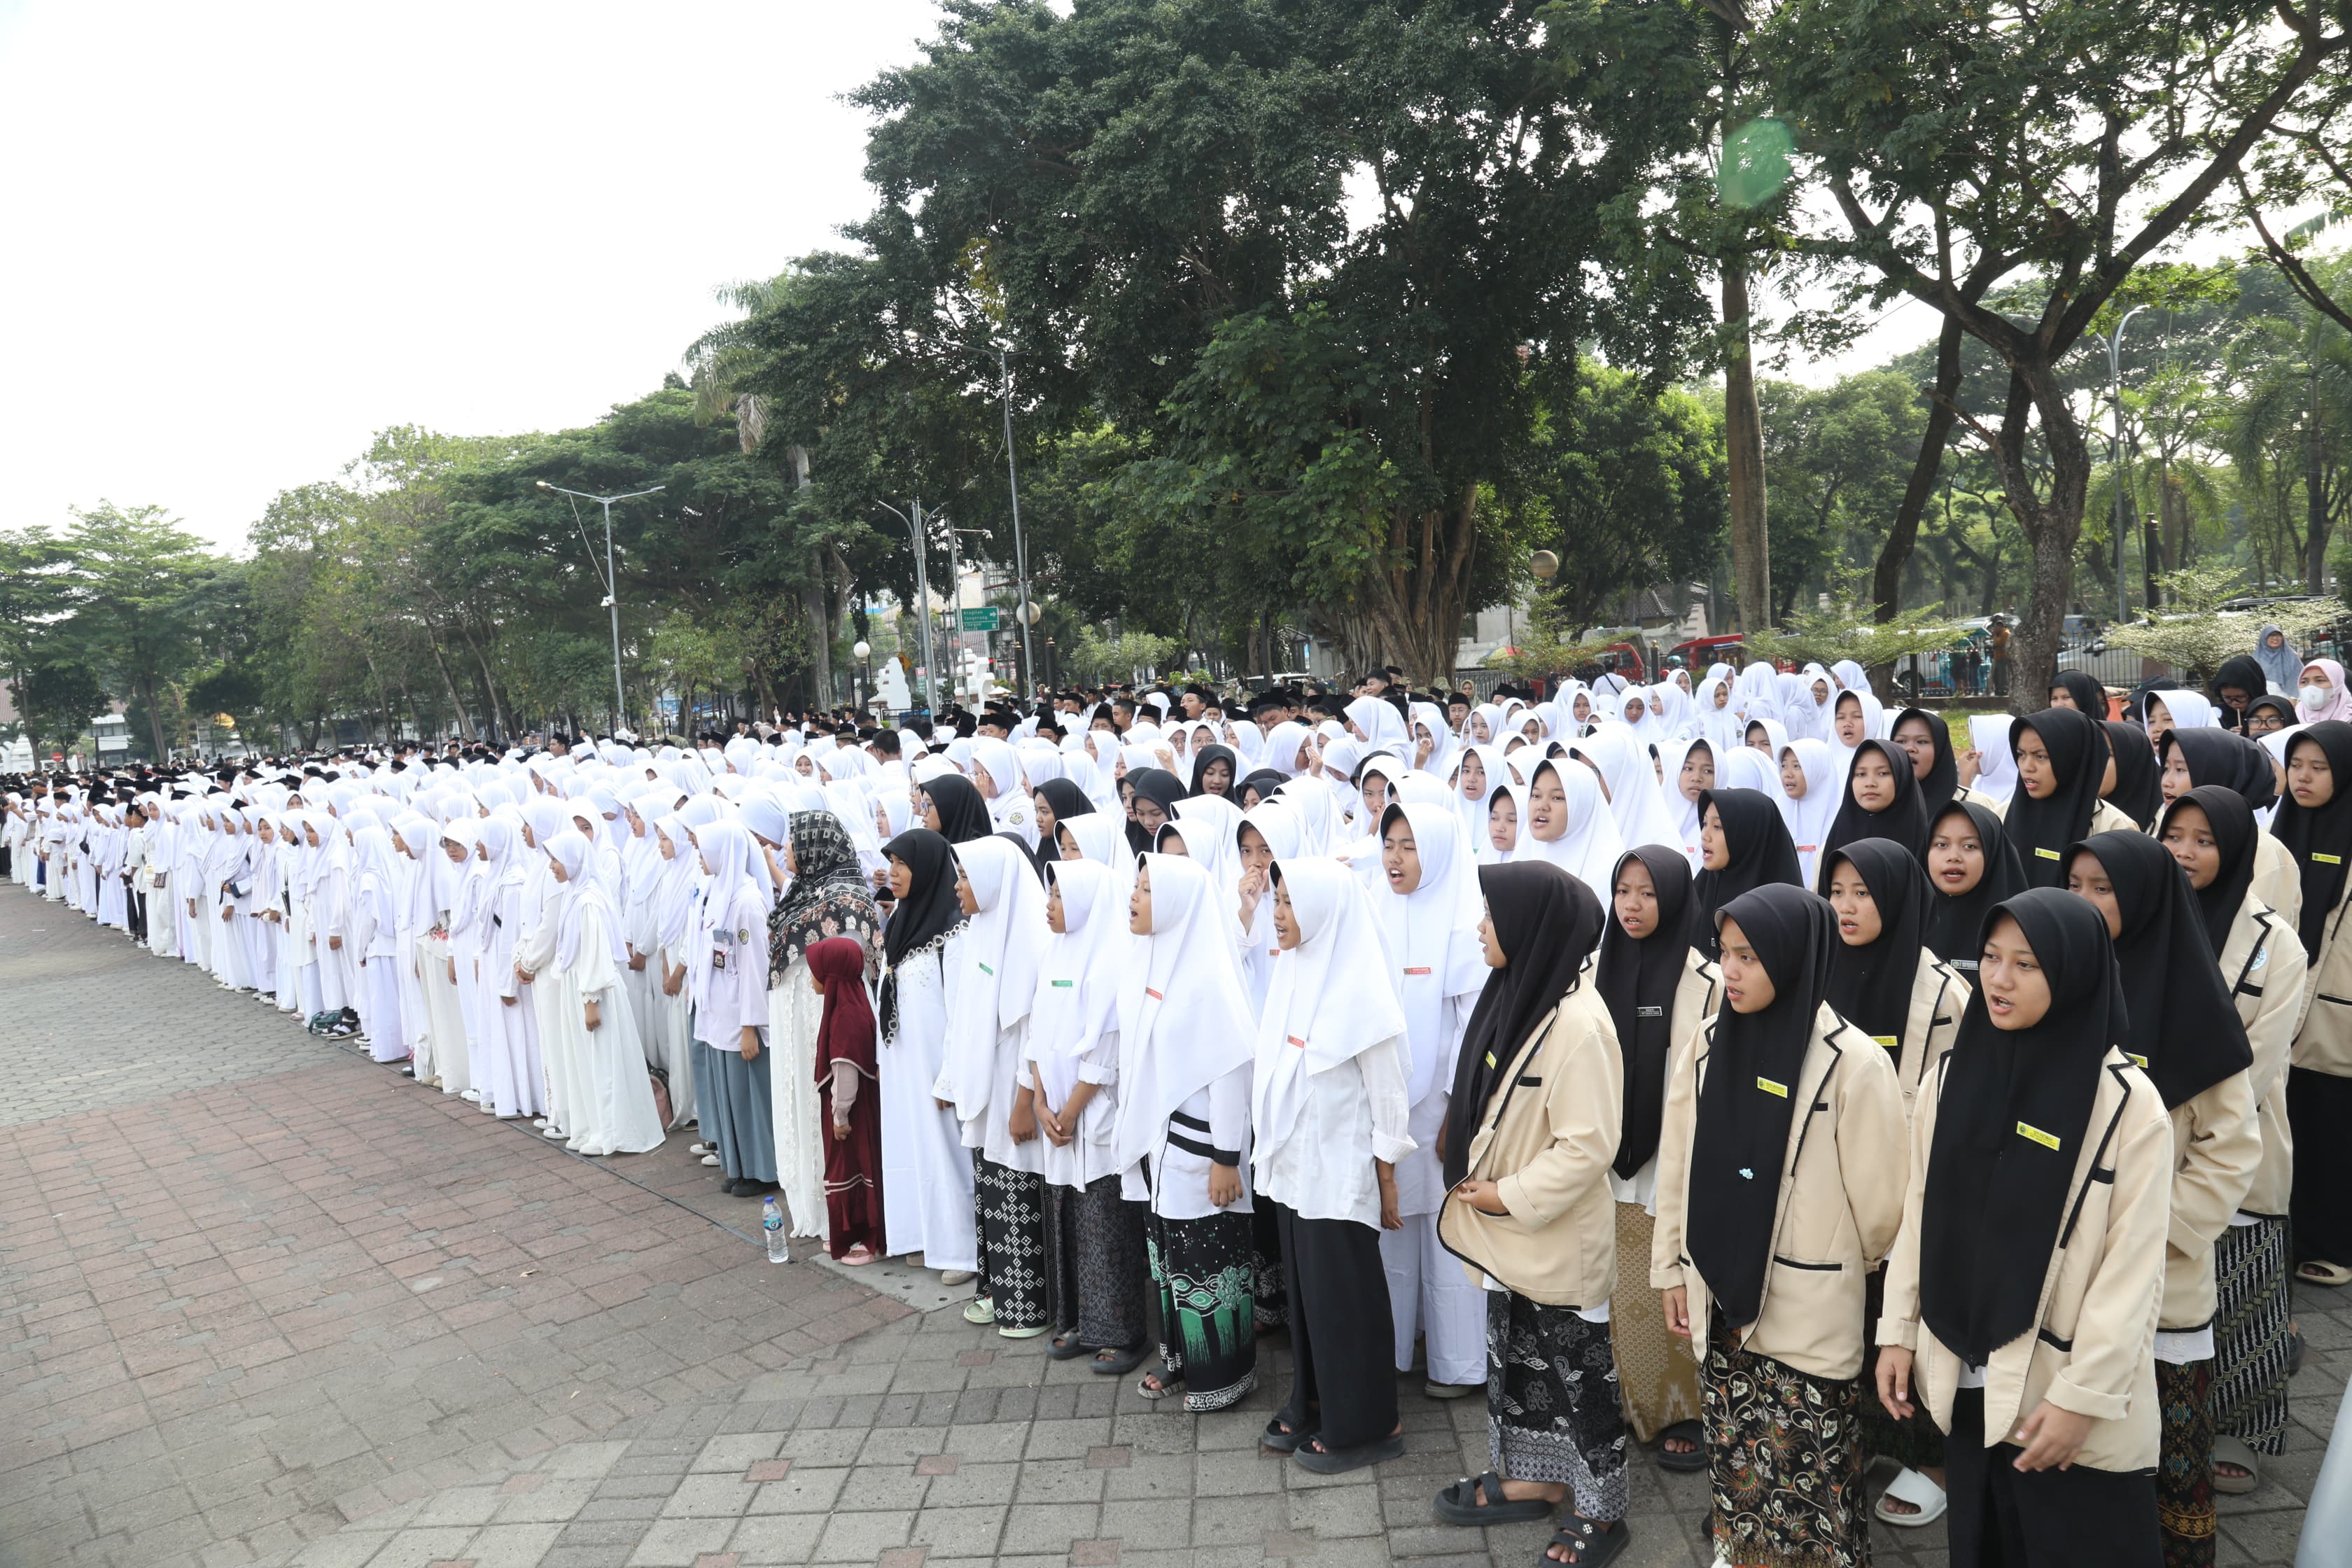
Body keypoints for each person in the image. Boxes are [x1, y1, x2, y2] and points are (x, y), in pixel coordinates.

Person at [1877, 889, 2171, 1568]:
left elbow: (2131, 1272)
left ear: (2072, 972)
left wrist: (2082, 1398)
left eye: (2026, 963)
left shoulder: (2128, 1105)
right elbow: (1919, 1214)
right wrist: (1898, 1328)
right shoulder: (1949, 1076)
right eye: (1989, 956)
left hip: (2059, 1400)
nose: (1999, 978)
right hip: (1966, 1374)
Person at [1651, 884, 1906, 1568]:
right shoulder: (1707, 1044)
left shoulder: (1853, 1061)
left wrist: (1828, 1257)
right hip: (1719, 1296)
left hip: (1807, 1311)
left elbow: (1885, 1212)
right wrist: (1672, 1268)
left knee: (1813, 1489)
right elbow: (1676, 1169)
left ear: (1793, 958)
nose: (1729, 971)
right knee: (1737, 1471)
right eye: (1725, 952)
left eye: (1750, 957)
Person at [2068, 830, 2261, 1568]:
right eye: (2075, 883)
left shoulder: (2192, 1005)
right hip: (2075, 1278)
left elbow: (2232, 1146)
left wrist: (2154, 1228)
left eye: (2104, 887)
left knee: (2172, 1451)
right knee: (2088, 1449)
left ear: (2146, 896)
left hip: (2165, 1276)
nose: (2084, 901)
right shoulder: (2059, 983)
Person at [1433, 861, 1634, 1564]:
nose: (1480, 926)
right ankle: (1535, 1479)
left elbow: (1588, 1145)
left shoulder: (1579, 1023)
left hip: (1550, 1235)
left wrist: (1504, 1195)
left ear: (1532, 928)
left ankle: (1600, 1510)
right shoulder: (1517, 992)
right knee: (1520, 1363)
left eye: (1492, 915)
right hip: (1508, 1235)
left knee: (1581, 1378)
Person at [2157, 788, 2309, 1493]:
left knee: (2242, 1290)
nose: (2185, 852)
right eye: (2174, 836)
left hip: (2234, 1145)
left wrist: (2194, 1129)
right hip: (2143, 1141)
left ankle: (2241, 1429)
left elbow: (2261, 1061)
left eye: (2204, 839)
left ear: (2236, 849)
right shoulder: (2141, 920)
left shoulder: (2275, 942)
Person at [1819, 838, 1970, 1528]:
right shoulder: (1817, 966)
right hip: (1834, 1186)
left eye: (1863, 892)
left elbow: (1958, 1105)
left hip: (1913, 1191)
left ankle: (1933, 1458)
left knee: (1905, 1319)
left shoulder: (1942, 991)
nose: (1847, 907)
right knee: (1844, 1320)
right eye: (1837, 890)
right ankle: (1863, 1440)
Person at [1252, 856, 1415, 1473]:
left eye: (1290, 903)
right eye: (1277, 902)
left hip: (1340, 1169)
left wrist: (1387, 1172)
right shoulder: (1294, 968)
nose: (1279, 915)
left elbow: (1388, 1087)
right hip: (1298, 1168)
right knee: (1311, 1295)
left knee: (1346, 1295)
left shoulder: (1359, 983)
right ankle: (1316, 1398)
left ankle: (1370, 1423)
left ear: (1323, 909)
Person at [1114, 853, 1261, 1410]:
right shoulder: (1150, 959)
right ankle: (1179, 1359)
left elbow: (1230, 1072)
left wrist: (1227, 1157)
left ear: (1176, 902)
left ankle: (1223, 1375)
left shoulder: (1208, 977)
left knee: (1208, 1261)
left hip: (1202, 1154)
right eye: (1136, 884)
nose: (1134, 895)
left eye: (1148, 888)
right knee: (1171, 1262)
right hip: (1161, 1148)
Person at [1592, 847, 1717, 1473]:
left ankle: (1684, 1410)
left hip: (1670, 1157)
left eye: (1647, 893)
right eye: (1623, 891)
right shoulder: (1593, 967)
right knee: (1621, 1290)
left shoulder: (1707, 979)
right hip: (1606, 1158)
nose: (1633, 906)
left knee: (1666, 1280)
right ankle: (1627, 1400)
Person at [1369, 801, 1489, 1399]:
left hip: (1441, 1108)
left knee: (1446, 1237)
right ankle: (1390, 1349)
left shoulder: (1462, 920)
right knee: (1391, 1229)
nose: (1395, 858)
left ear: (1438, 852)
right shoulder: (1375, 908)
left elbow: (1474, 1029)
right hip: (1386, 1106)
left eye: (1409, 846)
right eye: (1390, 843)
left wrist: (1458, 1111)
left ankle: (1458, 1363)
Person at [1027, 858, 1148, 1370]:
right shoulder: (1054, 951)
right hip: (1054, 1115)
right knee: (1066, 1221)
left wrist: (1070, 1110)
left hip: (1090, 1118)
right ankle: (1073, 1319)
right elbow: (1035, 1036)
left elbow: (1106, 1050)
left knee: (1103, 1224)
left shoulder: (1109, 958)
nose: (1049, 905)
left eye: (1057, 896)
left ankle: (1121, 1333)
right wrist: (1038, 1098)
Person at [936, 834, 1054, 1337]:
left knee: (1019, 1190)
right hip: (986, 1093)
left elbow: (1036, 1031)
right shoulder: (980, 929)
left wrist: (1025, 1100)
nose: (958, 887)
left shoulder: (1029, 937)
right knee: (993, 1191)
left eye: (965, 877)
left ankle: (1028, 1307)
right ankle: (1000, 1295)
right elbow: (965, 1019)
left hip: (1014, 1096)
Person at [766, 810, 884, 1246]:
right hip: (796, 1026)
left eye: (794, 845)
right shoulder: (803, 891)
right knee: (798, 1103)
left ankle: (832, 1208)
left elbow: (850, 965)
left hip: (824, 1021)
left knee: (830, 1109)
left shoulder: (847, 900)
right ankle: (808, 1203)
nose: (786, 852)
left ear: (816, 848)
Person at [2266, 722, 2352, 1289]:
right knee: (2285, 1123)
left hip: (2335, 1011)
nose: (2304, 777)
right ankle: (2290, 1234)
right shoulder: (2279, 831)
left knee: (2330, 1130)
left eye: (2320, 768)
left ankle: (2334, 1244)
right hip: (2280, 1001)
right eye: (2297, 765)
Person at [876, 828, 981, 1284]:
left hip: (937, 1067)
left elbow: (961, 1010)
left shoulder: (953, 931)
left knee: (945, 1151)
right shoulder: (902, 919)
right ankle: (922, 1233)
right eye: (892, 863)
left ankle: (961, 1249)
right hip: (904, 1063)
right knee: (909, 1144)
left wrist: (952, 1076)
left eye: (902, 864)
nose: (893, 873)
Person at [530, 830, 666, 1158]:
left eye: (556, 859)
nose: (552, 867)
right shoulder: (575, 895)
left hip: (594, 990)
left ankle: (611, 1131)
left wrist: (591, 1001)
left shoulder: (588, 901)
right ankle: (591, 1125)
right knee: (583, 1061)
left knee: (602, 1061)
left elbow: (594, 954)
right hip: (578, 986)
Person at [806, 935, 886, 1264]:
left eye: (817, 970)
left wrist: (840, 1118)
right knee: (852, 1171)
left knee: (856, 1169)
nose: (812, 977)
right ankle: (852, 1234)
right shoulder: (856, 1003)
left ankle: (869, 1241)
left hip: (853, 1117)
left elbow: (846, 1072)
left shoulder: (845, 1016)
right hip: (858, 1111)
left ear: (832, 975)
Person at [1991, 708, 2134, 886]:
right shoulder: (1999, 817)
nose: (2027, 767)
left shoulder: (2114, 827)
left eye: (2041, 756)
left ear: (2071, 759)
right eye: (2021, 755)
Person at [1685, 789, 1803, 958]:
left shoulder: (1781, 912)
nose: (1705, 835)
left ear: (1748, 833)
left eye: (1718, 826)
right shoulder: (1700, 892)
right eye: (1704, 824)